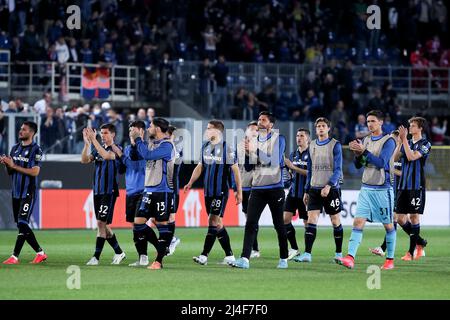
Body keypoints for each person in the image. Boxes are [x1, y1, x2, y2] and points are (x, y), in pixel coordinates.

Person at [336, 110, 397, 270]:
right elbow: (359, 165)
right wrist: (357, 154)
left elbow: (382, 163)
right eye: (368, 121)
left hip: (383, 189)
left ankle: (389, 260)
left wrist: (364, 151)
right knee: (357, 222)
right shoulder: (366, 140)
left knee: (388, 225)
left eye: (373, 121)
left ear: (381, 122)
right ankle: (350, 258)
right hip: (366, 188)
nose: (369, 124)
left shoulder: (388, 141)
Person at [229, 112, 289, 269]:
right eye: (259, 120)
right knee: (250, 223)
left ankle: (283, 258)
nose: (260, 122)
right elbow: (249, 167)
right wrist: (247, 153)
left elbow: (273, 161)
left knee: (278, 224)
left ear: (271, 125)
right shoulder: (253, 141)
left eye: (264, 120)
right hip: (257, 189)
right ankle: (244, 259)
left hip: (275, 188)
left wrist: (255, 150)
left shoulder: (279, 139)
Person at [185, 120, 242, 266]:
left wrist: (238, 191)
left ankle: (204, 255)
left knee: (212, 221)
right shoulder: (205, 147)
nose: (206, 131)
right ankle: (229, 256)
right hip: (207, 192)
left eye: (209, 128)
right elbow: (199, 167)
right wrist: (190, 182)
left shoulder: (227, 148)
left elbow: (236, 171)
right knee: (218, 224)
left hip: (220, 192)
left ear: (217, 131)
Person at [293, 117, 343, 263]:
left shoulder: (335, 145)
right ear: (316, 129)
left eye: (323, 126)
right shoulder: (312, 145)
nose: (320, 128)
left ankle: (338, 253)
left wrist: (329, 185)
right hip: (314, 189)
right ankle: (307, 254)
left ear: (328, 129)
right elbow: (310, 169)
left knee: (335, 220)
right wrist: (306, 190)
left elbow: (338, 169)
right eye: (318, 126)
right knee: (311, 220)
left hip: (331, 189)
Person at [130, 117, 176, 270]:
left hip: (162, 191)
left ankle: (158, 261)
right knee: (138, 223)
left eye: (150, 125)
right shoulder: (151, 143)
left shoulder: (167, 145)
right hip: (148, 190)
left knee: (162, 225)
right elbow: (135, 156)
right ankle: (161, 247)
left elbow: (148, 156)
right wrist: (134, 141)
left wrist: (138, 139)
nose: (148, 127)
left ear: (157, 128)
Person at [1, 121, 47, 265]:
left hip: (28, 192)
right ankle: (28, 255)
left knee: (22, 222)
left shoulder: (36, 150)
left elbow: (35, 171)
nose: (20, 131)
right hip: (15, 193)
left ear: (31, 133)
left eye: (24, 129)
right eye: (20, 129)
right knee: (21, 225)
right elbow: (10, 172)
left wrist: (14, 165)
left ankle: (26, 254)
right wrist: (7, 165)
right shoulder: (14, 149)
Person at [81, 124, 126, 266]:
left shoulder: (117, 149)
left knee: (101, 223)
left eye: (105, 133)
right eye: (101, 133)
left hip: (109, 191)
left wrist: (93, 140)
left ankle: (96, 257)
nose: (102, 135)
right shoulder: (97, 148)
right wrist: (87, 144)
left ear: (113, 134)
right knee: (103, 225)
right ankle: (119, 252)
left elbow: (106, 156)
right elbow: (84, 160)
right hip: (97, 191)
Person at [112, 120, 149, 267]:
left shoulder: (145, 147)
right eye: (130, 131)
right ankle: (142, 257)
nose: (131, 133)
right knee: (135, 226)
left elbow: (132, 161)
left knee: (140, 223)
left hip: (143, 191)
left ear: (141, 132)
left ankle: (164, 244)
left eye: (134, 130)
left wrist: (120, 154)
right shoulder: (127, 149)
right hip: (130, 191)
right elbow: (122, 169)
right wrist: (118, 158)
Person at [395, 117, 431, 261]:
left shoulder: (426, 144)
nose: (410, 128)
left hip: (416, 186)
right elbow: (395, 158)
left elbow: (411, 157)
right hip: (403, 185)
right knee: (400, 218)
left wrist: (403, 140)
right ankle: (420, 242)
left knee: (414, 217)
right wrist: (399, 143)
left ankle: (411, 252)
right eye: (410, 125)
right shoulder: (407, 142)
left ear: (420, 128)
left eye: (413, 125)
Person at [283, 128, 310, 260]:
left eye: (302, 136)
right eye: (297, 135)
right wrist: (289, 172)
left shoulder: (311, 154)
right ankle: (294, 248)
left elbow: (311, 173)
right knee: (285, 219)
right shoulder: (293, 154)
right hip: (293, 192)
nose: (299, 138)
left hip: (305, 193)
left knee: (307, 223)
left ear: (308, 139)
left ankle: (307, 252)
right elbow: (291, 173)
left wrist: (293, 167)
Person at [234, 121, 260, 258]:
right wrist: (235, 187)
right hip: (242, 186)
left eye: (256, 130)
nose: (254, 131)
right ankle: (254, 248)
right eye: (252, 129)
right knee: (248, 217)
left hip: (254, 186)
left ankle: (254, 249)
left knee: (252, 219)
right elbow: (234, 168)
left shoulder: (259, 146)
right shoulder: (239, 147)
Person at [166, 125, 182, 256]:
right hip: (161, 187)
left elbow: (174, 168)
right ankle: (172, 239)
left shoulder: (176, 150)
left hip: (172, 187)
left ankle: (171, 241)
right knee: (155, 217)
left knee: (171, 215)